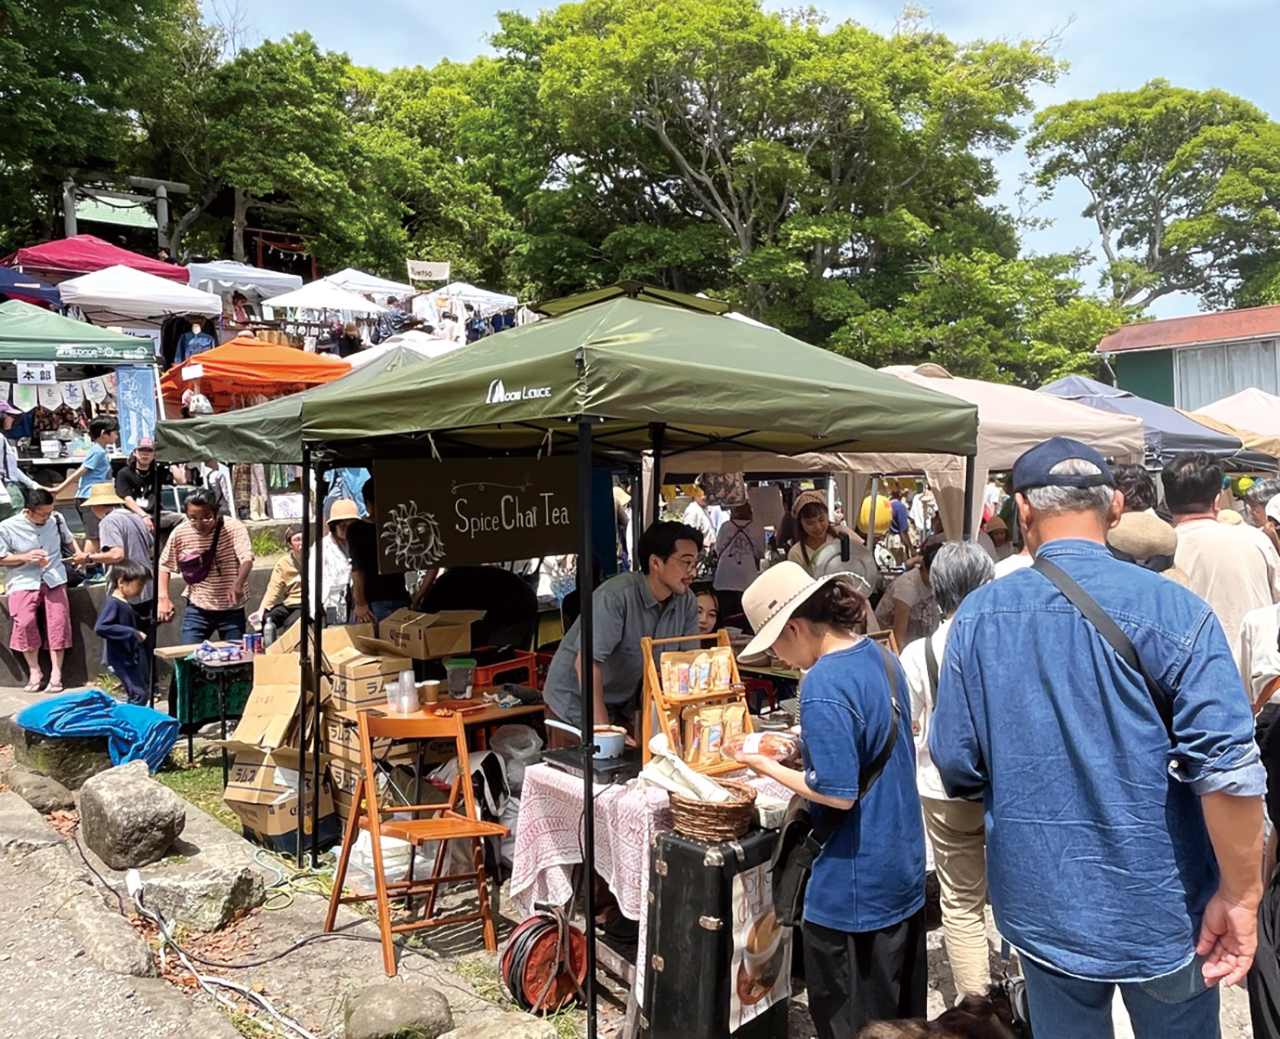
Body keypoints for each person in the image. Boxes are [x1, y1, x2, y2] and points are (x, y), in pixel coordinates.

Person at [931, 437, 1266, 1039]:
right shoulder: (1178, 611)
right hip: (1164, 903)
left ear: (1022, 511)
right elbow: (1229, 771)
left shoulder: (976, 618)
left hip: (1042, 902)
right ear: (1114, 506)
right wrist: (1242, 896)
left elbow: (956, 765)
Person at [733, 562, 926, 1036]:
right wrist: (803, 748)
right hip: (901, 864)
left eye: (776, 644)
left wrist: (767, 767)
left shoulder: (822, 682)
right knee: (901, 1018)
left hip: (853, 885)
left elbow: (836, 795)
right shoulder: (880, 656)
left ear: (795, 628)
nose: (778, 658)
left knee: (852, 1022)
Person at [900, 540, 994, 998]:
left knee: (961, 899)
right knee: (1014, 888)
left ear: (936, 590)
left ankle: (975, 1002)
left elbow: (909, 727)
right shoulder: (1004, 641)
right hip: (1004, 785)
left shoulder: (920, 652)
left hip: (942, 786)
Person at [542, 521, 702, 741]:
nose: (692, 572)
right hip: (573, 701)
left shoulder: (687, 602)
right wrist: (603, 730)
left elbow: (685, 664)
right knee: (578, 771)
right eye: (686, 563)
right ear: (656, 562)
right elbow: (587, 663)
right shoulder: (617, 597)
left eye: (695, 563)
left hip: (619, 703)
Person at [1167, 451, 1280, 660]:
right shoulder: (1256, 540)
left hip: (1189, 673)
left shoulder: (1159, 552)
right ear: (1217, 500)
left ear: (1166, 499)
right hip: (1256, 670)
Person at [0, 488, 79, 692]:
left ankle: (56, 673)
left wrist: (78, 554)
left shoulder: (57, 519)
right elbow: (1, 558)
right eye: (43, 514)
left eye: (50, 512)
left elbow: (69, 540)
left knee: (58, 622)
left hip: (54, 575)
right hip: (23, 578)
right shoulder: (7, 527)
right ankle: (35, 670)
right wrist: (24, 557)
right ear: (29, 510)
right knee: (24, 622)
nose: (47, 517)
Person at [157, 488, 254, 642]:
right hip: (198, 607)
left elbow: (246, 558)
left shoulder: (233, 528)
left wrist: (239, 582)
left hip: (232, 609)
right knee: (188, 657)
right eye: (193, 518)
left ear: (216, 513)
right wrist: (163, 598)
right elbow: (164, 565)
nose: (199, 524)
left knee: (234, 658)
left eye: (206, 518)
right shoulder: (180, 533)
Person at [76, 483, 154, 619]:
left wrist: (87, 557)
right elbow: (151, 550)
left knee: (118, 635)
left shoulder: (109, 521)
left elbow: (116, 554)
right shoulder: (136, 517)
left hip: (125, 591)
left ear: (95, 506)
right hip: (146, 589)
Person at [788, 489, 878, 597]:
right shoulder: (796, 553)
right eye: (810, 523)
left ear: (827, 516)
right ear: (800, 523)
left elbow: (865, 558)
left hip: (851, 598)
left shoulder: (842, 533)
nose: (817, 527)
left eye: (821, 520)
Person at [50, 415, 118, 557]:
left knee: (98, 534)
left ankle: (94, 567)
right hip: (89, 497)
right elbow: (81, 471)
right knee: (93, 536)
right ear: (104, 433)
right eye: (115, 432)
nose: (117, 435)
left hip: (96, 497)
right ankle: (87, 569)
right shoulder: (97, 451)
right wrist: (59, 489)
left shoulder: (100, 450)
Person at [348, 479, 412, 623]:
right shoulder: (401, 527)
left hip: (372, 604)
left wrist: (360, 603)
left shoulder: (357, 529)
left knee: (371, 644)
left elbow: (358, 569)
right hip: (401, 600)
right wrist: (418, 596)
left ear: (367, 503)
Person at [94, 559, 150, 706]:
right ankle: (130, 723)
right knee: (139, 694)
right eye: (139, 584)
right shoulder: (112, 603)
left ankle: (131, 720)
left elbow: (140, 622)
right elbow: (101, 627)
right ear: (121, 583)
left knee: (140, 692)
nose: (141, 589)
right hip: (121, 657)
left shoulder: (125, 604)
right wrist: (132, 633)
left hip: (130, 656)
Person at [874, 538, 943, 650]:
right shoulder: (908, 586)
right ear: (924, 568)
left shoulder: (938, 585)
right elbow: (898, 637)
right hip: (893, 648)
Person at [713, 501, 765, 622]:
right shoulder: (757, 527)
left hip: (725, 572)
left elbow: (718, 548)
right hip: (747, 572)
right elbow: (760, 552)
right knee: (745, 609)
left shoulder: (726, 526)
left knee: (726, 608)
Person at [114, 437, 179, 533]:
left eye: (149, 451)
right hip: (132, 514)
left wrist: (171, 462)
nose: (145, 454)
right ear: (135, 453)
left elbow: (180, 480)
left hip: (156, 514)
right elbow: (126, 498)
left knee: (182, 519)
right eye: (141, 450)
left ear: (154, 455)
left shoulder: (157, 471)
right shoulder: (124, 473)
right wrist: (143, 515)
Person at [250, 524, 304, 634]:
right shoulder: (283, 563)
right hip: (290, 603)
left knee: (291, 624)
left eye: (304, 539)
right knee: (263, 621)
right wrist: (261, 610)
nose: (301, 543)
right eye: (297, 540)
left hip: (307, 604)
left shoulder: (316, 558)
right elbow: (273, 589)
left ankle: (286, 650)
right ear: (290, 544)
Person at [0, 400, 42, 520]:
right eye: (10, 416)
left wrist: (33, 485)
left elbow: (10, 467)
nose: (13, 419)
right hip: (7, 490)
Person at [322, 499, 357, 624]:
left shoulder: (361, 544)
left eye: (350, 526)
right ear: (334, 526)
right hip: (332, 603)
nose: (347, 530)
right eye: (342, 526)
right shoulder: (322, 548)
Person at [681, 486, 715, 550]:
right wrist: (703, 543)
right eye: (702, 494)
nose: (704, 497)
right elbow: (688, 537)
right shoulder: (693, 511)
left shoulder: (703, 509)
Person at [885, 490, 913, 564]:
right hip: (898, 540)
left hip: (889, 539)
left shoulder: (887, 504)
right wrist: (911, 548)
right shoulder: (900, 507)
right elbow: (903, 530)